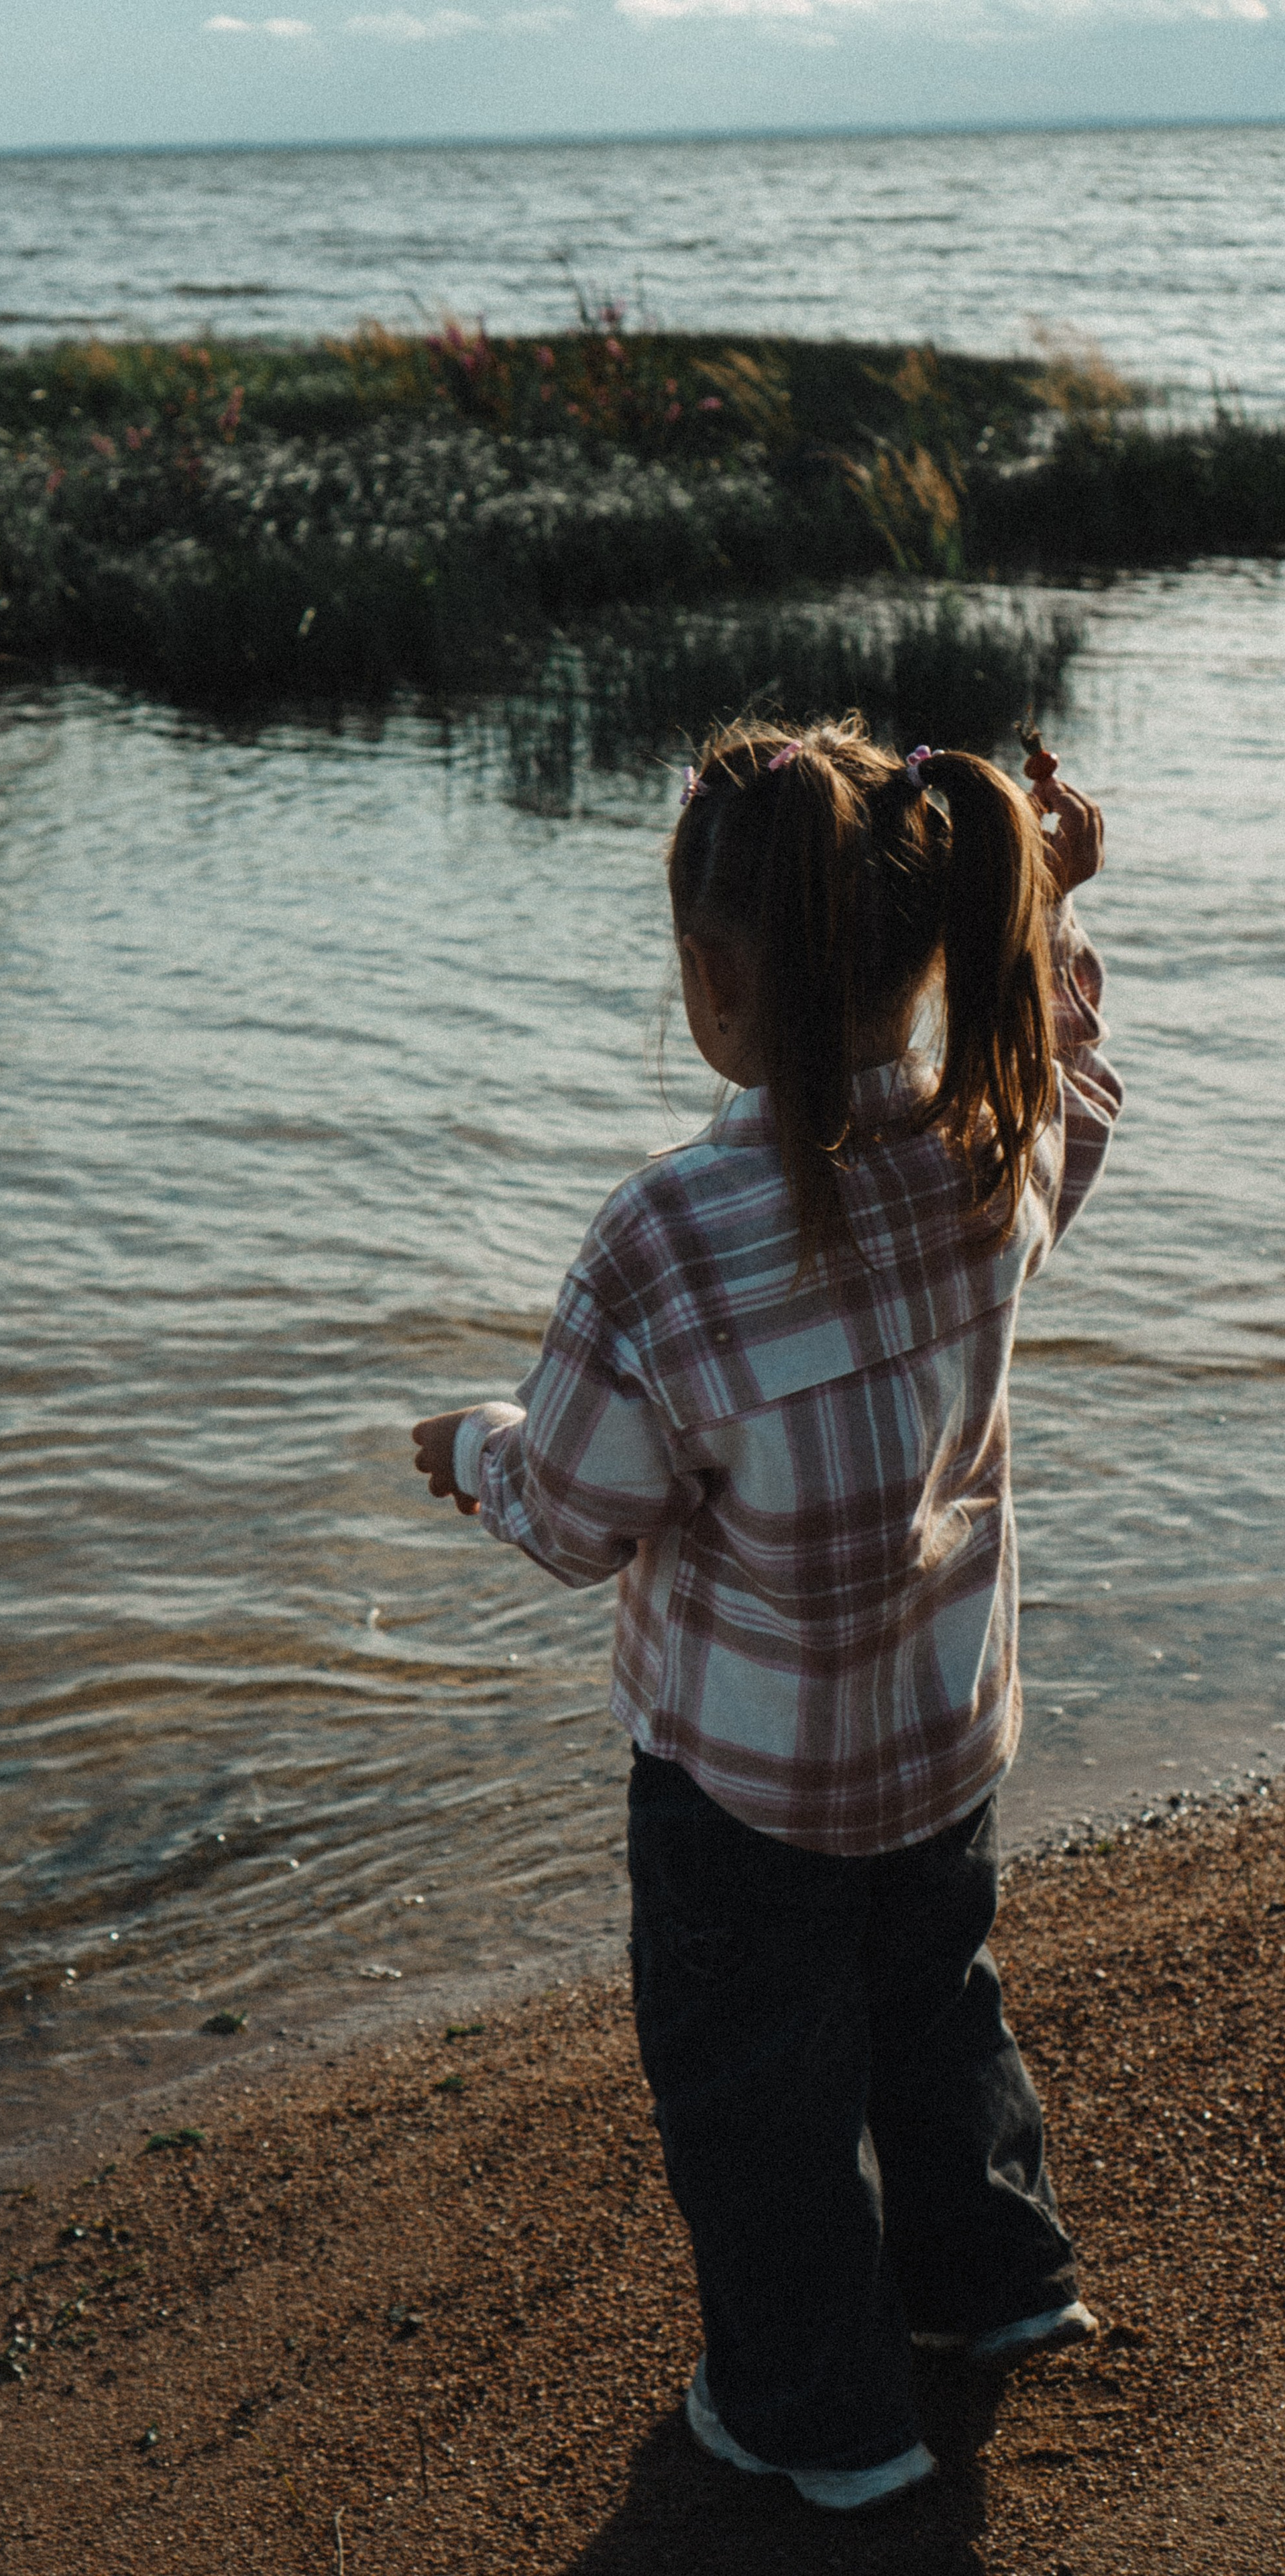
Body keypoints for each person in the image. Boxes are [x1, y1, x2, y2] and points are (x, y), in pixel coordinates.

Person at [410, 716, 1120, 2513]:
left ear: (715, 975)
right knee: (932, 2000)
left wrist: (479, 1449)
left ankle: (823, 2416)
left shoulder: (665, 1239)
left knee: (760, 2093)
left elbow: (580, 1517)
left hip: (744, 1796)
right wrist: (1042, 921)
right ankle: (999, 2285)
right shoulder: (989, 1142)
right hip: (944, 1737)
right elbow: (1077, 1084)